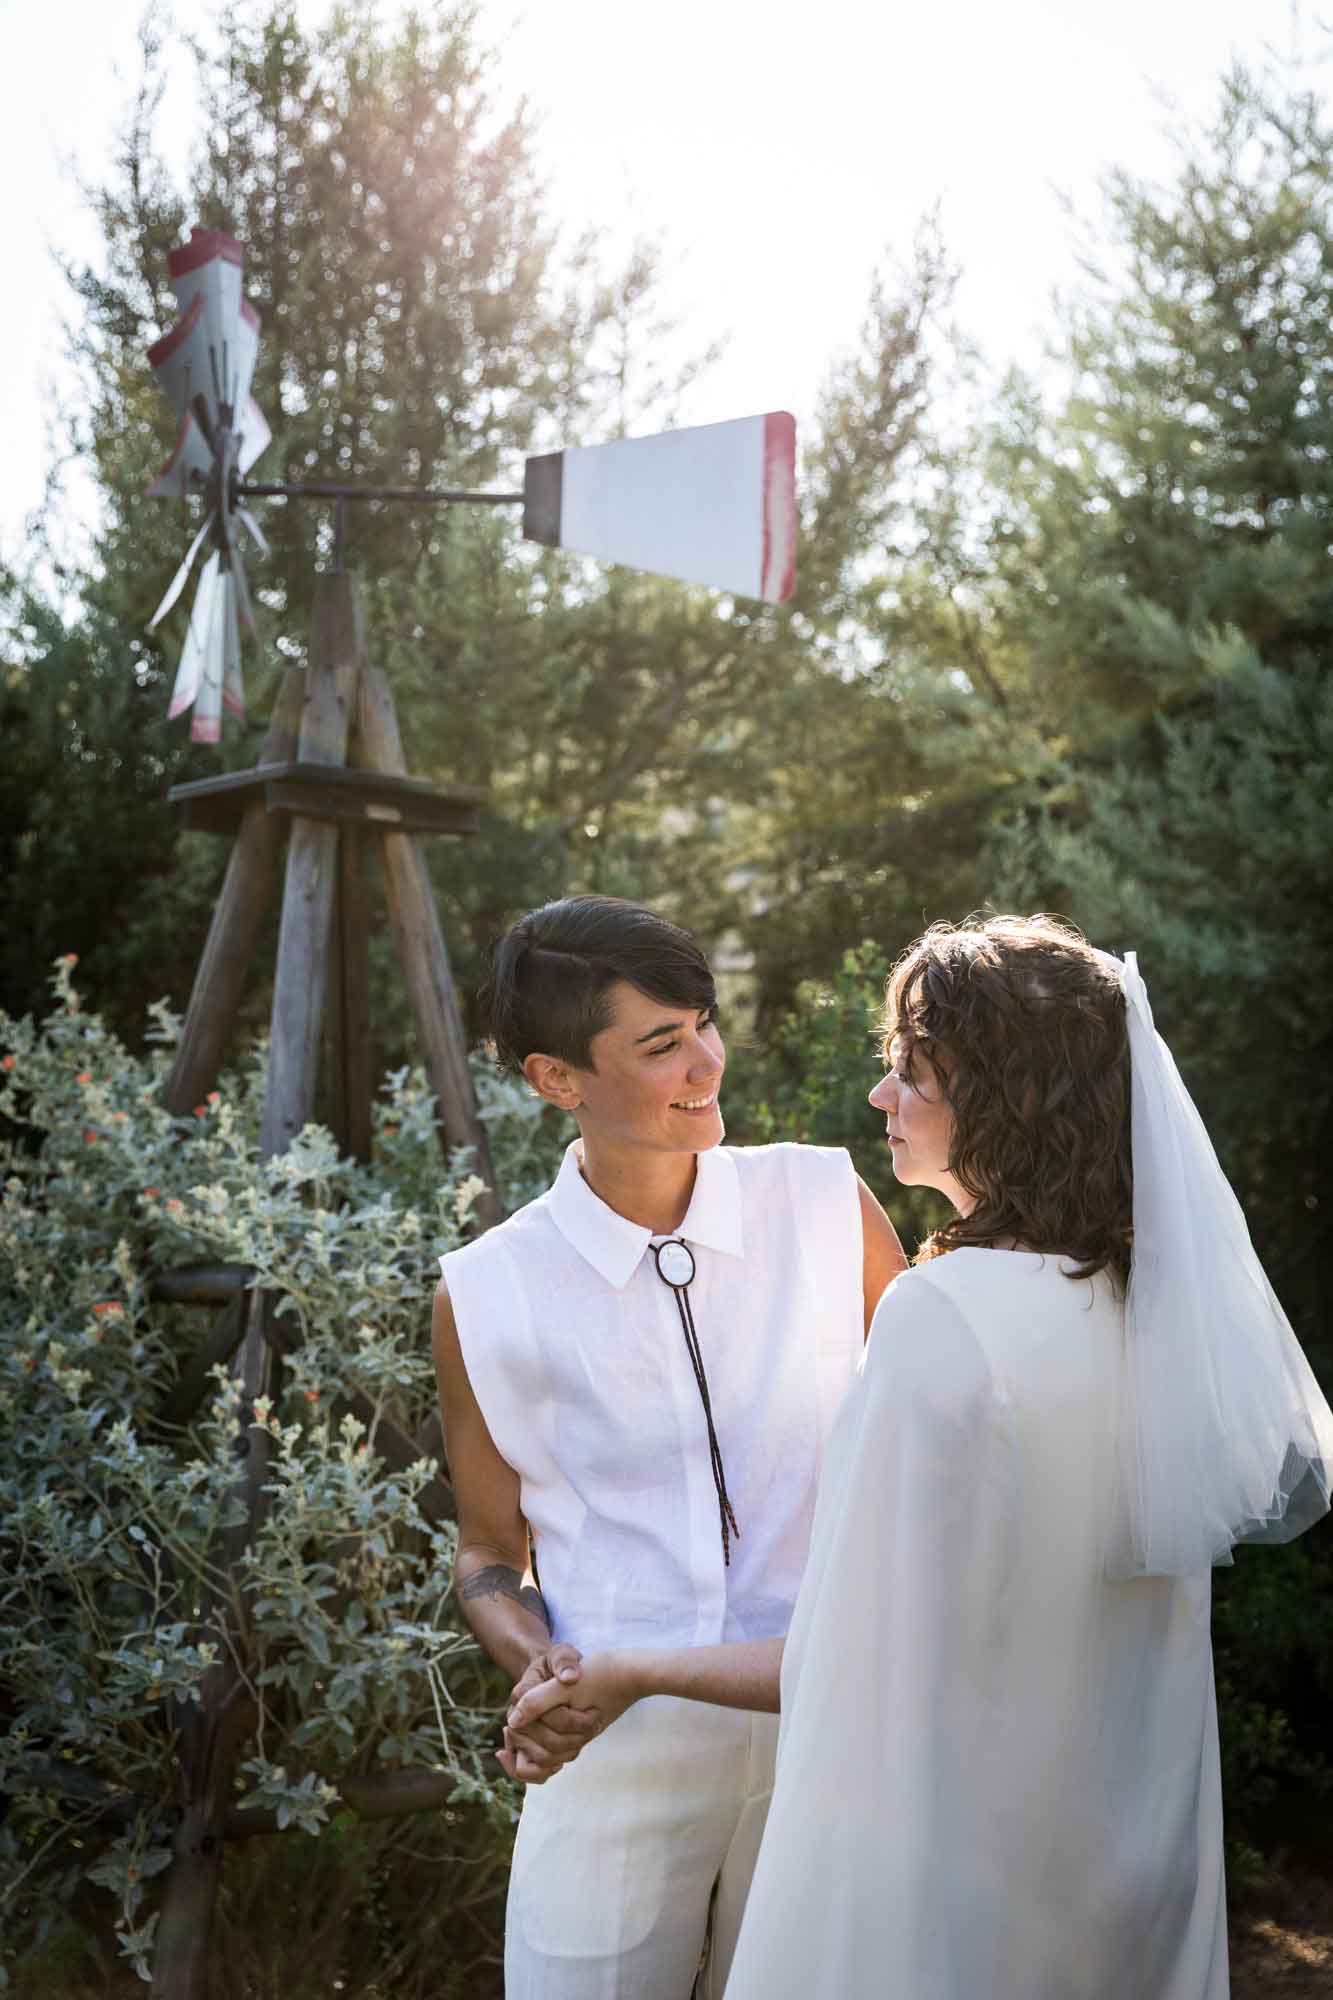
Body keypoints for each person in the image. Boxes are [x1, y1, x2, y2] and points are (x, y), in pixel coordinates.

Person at [508, 914, 1333, 2000]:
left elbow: (842, 1651)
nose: (879, 1098)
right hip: (1125, 1866)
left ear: (1006, 1097)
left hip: (954, 1878)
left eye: (910, 1073)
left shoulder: (940, 1313)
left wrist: (630, 1667)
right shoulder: (1152, 1311)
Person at [432, 894, 906, 1999]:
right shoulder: (486, 1291)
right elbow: (487, 1548)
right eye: (661, 1042)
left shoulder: (826, 1200)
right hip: (618, 1745)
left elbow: (936, 1446)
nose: (706, 1060)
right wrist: (532, 1657)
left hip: (830, 1731)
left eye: (703, 1022)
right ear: (559, 1079)